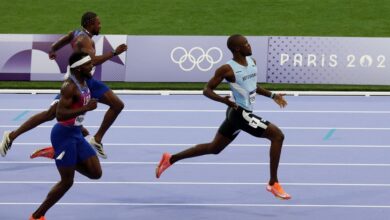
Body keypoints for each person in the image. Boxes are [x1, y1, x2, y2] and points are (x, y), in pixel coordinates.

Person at [155, 34, 291, 200]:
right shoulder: (227, 69)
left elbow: (252, 86)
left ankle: (171, 158)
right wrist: (224, 101)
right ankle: (273, 183)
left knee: (214, 148)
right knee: (277, 136)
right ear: (237, 49)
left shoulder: (252, 62)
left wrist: (273, 95)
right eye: (246, 44)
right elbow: (207, 90)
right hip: (240, 113)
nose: (250, 46)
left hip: (237, 114)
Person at [0, 11, 127, 159]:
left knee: (117, 105)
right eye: (98, 23)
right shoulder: (84, 40)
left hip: (88, 80)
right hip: (76, 82)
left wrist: (53, 50)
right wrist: (113, 53)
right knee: (51, 114)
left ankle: (97, 139)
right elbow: (92, 61)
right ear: (90, 23)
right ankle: (11, 135)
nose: (100, 25)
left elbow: (61, 41)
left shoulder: (75, 33)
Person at [30, 52, 102, 220]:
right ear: (78, 68)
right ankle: (36, 216)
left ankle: (57, 154)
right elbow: (60, 114)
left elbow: (75, 108)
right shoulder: (69, 87)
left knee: (95, 173)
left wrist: (80, 124)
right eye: (88, 64)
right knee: (67, 182)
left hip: (75, 132)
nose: (92, 66)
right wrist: (86, 109)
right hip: (63, 135)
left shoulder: (84, 82)